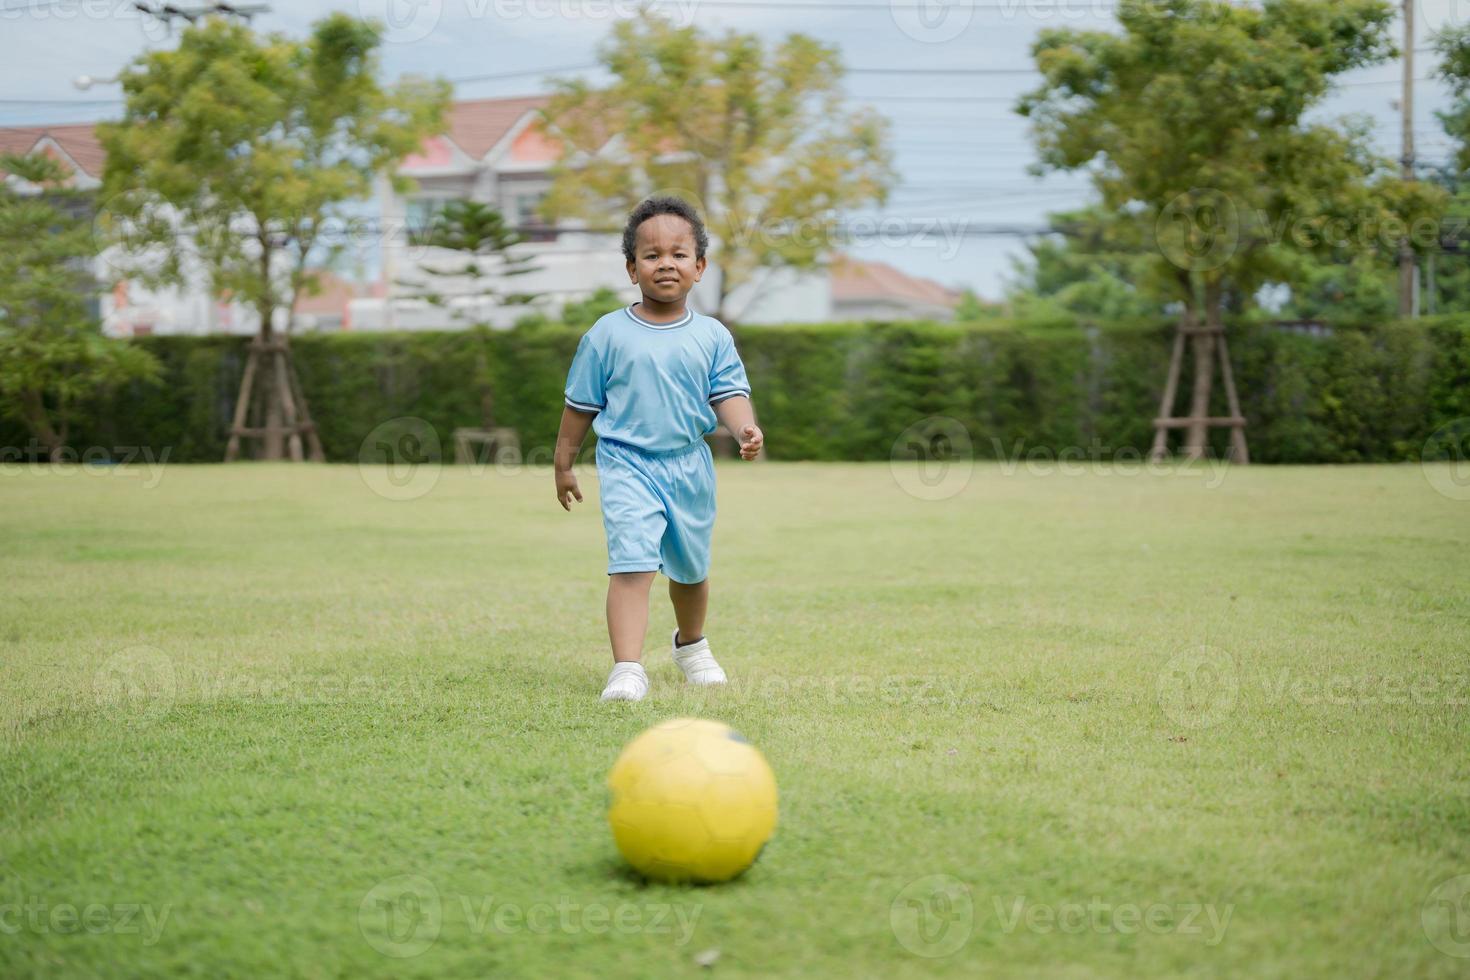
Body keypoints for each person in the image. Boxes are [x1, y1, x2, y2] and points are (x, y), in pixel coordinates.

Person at [554, 196, 763, 702]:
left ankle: (691, 646)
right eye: (650, 255)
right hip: (626, 462)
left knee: (691, 570)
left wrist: (744, 429)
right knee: (632, 563)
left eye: (678, 253)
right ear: (631, 269)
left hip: (689, 465)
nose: (665, 263)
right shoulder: (607, 334)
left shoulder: (713, 336)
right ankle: (627, 668)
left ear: (699, 267)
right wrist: (563, 463)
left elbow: (728, 393)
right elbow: (580, 406)